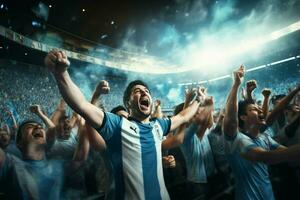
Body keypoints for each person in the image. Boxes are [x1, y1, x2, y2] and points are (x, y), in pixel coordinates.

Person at [44, 49, 203, 200]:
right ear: (128, 103)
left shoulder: (158, 126)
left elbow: (183, 116)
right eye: (137, 91)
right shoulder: (117, 125)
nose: (144, 92)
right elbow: (81, 105)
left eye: (146, 90)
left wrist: (198, 101)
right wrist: (61, 74)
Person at [222, 65, 300, 200]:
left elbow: (286, 154)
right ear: (243, 117)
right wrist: (236, 85)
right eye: (254, 109)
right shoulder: (237, 140)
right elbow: (268, 157)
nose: (260, 111)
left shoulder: (265, 138)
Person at [0, 119, 87, 199]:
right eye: (30, 126)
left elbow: (79, 159)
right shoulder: (10, 165)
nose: (39, 127)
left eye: (41, 126)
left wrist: (85, 125)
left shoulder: (59, 165)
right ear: (19, 143)